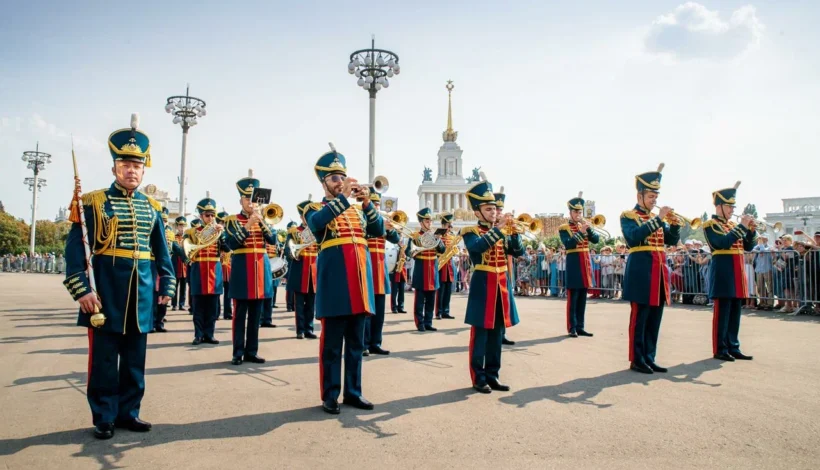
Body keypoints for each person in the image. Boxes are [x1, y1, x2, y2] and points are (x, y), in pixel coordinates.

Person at [63, 114, 175, 439]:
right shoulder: (93, 202)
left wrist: (166, 284)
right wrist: (82, 290)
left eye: (137, 165)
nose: (131, 170)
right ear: (114, 168)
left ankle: (129, 412)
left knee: (135, 361)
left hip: (141, 293)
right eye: (125, 164)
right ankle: (104, 415)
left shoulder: (152, 207)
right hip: (105, 292)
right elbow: (76, 252)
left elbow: (161, 252)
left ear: (144, 170)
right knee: (104, 360)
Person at [304, 146, 384, 414]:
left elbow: (378, 229)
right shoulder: (315, 208)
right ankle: (330, 394)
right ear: (324, 183)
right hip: (335, 284)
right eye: (335, 178)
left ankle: (353, 392)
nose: (341, 182)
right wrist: (344, 198)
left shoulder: (357, 210)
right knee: (331, 345)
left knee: (356, 344)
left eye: (343, 177)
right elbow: (317, 223)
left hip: (360, 284)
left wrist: (367, 203)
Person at [462, 179, 524, 393]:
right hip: (483, 285)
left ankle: (493, 375)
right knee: (480, 334)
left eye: (495, 209)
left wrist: (514, 234)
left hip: (501, 286)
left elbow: (518, 252)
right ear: (477, 212)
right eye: (488, 209)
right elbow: (477, 248)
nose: (494, 212)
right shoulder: (470, 231)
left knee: (497, 335)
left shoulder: (502, 231)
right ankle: (478, 377)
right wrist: (498, 229)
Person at [620, 163, 680, 374]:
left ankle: (649, 357)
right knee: (641, 317)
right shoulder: (628, 216)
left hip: (659, 272)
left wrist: (675, 225)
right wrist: (659, 219)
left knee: (655, 318)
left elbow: (670, 240)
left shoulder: (656, 219)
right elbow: (633, 238)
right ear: (640, 196)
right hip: (641, 271)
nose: (654, 200)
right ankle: (637, 359)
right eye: (650, 196)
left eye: (656, 196)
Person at [223, 172, 277, 366]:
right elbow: (231, 244)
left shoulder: (264, 219)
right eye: (247, 199)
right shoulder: (232, 220)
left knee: (255, 317)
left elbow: (273, 240)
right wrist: (248, 224)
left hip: (260, 271)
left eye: (253, 199)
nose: (250, 203)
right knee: (239, 316)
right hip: (242, 271)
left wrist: (261, 221)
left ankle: (251, 352)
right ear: (241, 200)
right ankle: (237, 352)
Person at [702, 182, 756, 361]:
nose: (732, 210)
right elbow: (721, 243)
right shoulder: (710, 224)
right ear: (719, 206)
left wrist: (751, 232)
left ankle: (733, 346)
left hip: (737, 271)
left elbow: (748, 246)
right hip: (723, 271)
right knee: (722, 312)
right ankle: (720, 348)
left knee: (735, 311)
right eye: (729, 206)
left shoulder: (733, 225)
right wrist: (742, 227)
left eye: (733, 207)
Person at [364, 192, 401, 355]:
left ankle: (375, 343)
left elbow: (395, 239)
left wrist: (390, 228)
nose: (376, 206)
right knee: (366, 311)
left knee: (379, 312)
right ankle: (364, 344)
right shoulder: (363, 219)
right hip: (367, 265)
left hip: (380, 267)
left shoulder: (383, 221)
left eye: (378, 204)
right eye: (373, 203)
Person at [560, 192, 600, 337]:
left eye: (580, 212)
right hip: (574, 263)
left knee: (583, 296)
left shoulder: (584, 225)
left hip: (585, 263)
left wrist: (588, 229)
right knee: (573, 297)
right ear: (570, 212)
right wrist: (581, 232)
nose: (578, 214)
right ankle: (572, 327)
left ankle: (580, 326)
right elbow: (569, 244)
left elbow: (596, 240)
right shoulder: (564, 228)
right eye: (576, 212)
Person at [187, 197, 227, 346]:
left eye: (212, 215)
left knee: (212, 306)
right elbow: (183, 248)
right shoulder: (192, 232)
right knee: (198, 306)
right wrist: (187, 259)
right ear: (201, 216)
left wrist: (223, 236)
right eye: (207, 215)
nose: (210, 218)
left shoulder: (219, 232)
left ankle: (209, 334)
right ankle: (198, 335)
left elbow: (227, 249)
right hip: (198, 270)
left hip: (215, 270)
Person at [407, 208, 446, 332]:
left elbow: (442, 250)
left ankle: (428, 322)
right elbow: (408, 252)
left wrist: (438, 240)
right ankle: (420, 323)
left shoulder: (434, 235)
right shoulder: (415, 236)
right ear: (421, 222)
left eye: (430, 221)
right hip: (421, 270)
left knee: (431, 300)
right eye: (427, 221)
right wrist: (414, 250)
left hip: (433, 270)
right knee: (419, 301)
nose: (430, 223)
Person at [285, 198, 318, 340]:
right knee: (299, 304)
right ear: (301, 217)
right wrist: (293, 254)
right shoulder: (294, 232)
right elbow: (287, 250)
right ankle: (300, 330)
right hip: (300, 270)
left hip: (314, 271)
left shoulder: (318, 230)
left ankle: (309, 328)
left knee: (311, 304)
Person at [153, 207, 183, 333]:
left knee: (164, 294)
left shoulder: (170, 234)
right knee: (153, 295)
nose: (164, 222)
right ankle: (151, 322)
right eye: (162, 220)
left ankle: (159, 322)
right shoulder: (152, 230)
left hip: (165, 267)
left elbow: (176, 248)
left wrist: (188, 258)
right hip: (152, 266)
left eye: (165, 220)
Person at [434, 213, 457, 320]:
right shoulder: (438, 235)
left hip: (449, 264)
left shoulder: (452, 236)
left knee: (448, 290)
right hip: (441, 264)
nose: (450, 227)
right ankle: (438, 312)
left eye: (450, 225)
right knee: (441, 290)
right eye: (448, 225)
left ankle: (445, 311)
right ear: (443, 225)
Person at [216, 211, 234, 320]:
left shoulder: (230, 233)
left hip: (228, 264)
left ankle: (228, 313)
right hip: (218, 264)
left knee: (228, 291)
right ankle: (216, 313)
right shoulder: (215, 233)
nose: (223, 224)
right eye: (222, 222)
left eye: (225, 222)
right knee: (217, 290)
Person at [171, 216, 188, 310]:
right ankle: (174, 304)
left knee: (183, 287)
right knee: (175, 286)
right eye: (180, 226)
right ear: (177, 227)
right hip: (176, 264)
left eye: (183, 226)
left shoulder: (188, 238)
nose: (182, 228)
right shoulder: (173, 237)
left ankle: (181, 304)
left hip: (184, 266)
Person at [390, 239, 409, 313]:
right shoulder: (392, 247)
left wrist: (405, 257)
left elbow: (408, 257)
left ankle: (401, 307)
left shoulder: (403, 246)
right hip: (395, 270)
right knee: (394, 291)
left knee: (401, 291)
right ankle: (394, 307)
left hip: (402, 271)